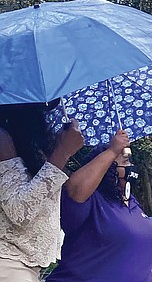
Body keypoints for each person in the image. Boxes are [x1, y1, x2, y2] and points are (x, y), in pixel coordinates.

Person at [46, 130, 152, 282]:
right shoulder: (92, 200)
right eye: (124, 161)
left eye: (130, 161)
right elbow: (73, 189)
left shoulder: (133, 205)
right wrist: (112, 150)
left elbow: (142, 264)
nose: (130, 166)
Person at [0, 102, 84, 282]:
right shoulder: (2, 138)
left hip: (21, 266)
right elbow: (20, 211)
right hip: (9, 265)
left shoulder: (29, 142)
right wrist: (62, 152)